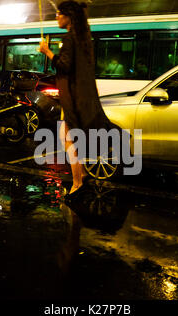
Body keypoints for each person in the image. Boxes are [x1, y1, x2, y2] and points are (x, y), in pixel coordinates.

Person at [39, 1, 112, 200]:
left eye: (58, 14)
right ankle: (81, 175)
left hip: (71, 96)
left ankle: (78, 182)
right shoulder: (83, 37)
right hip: (79, 95)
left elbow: (65, 65)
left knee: (68, 139)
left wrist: (47, 52)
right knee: (70, 137)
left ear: (68, 17)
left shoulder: (69, 38)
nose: (56, 17)